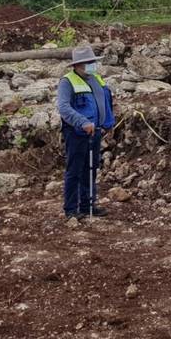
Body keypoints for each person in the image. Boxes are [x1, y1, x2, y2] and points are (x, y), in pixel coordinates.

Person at [57, 46, 115, 220]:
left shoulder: (96, 79)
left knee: (91, 169)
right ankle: (71, 209)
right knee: (75, 170)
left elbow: (105, 101)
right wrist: (82, 122)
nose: (92, 65)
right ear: (78, 65)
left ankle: (87, 205)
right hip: (76, 133)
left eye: (93, 62)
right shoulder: (67, 82)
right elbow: (64, 108)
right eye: (88, 63)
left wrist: (108, 123)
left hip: (95, 132)